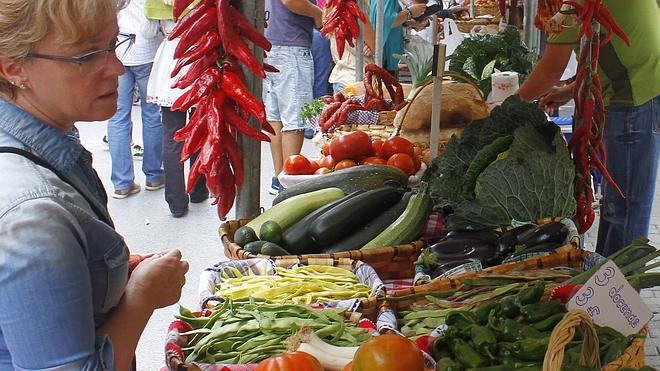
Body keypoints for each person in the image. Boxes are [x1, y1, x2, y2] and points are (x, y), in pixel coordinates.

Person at [0, 0, 189, 369]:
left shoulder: (47, 145)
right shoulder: (33, 216)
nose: (117, 68)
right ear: (13, 67)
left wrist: (105, 272)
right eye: (86, 55)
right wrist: (141, 296)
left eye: (113, 44)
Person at [517, 0, 660, 257]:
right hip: (637, 88)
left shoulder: (574, 2)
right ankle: (605, 289)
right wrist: (572, 90)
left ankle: (618, 293)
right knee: (619, 206)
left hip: (636, 96)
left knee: (624, 210)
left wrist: (504, 106)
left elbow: (550, 70)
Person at [145, 0, 209, 218]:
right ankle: (199, 190)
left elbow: (147, 32)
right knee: (200, 129)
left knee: (172, 137)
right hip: (201, 57)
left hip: (171, 60)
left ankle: (176, 202)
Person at [263, 0, 323, 194]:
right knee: (295, 119)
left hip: (271, 43)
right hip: (291, 47)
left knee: (276, 117)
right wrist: (318, 13)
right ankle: (287, 183)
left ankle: (279, 177)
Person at [108, 0, 165, 199]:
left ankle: (122, 183)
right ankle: (154, 175)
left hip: (118, 49)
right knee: (151, 115)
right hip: (147, 49)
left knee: (117, 117)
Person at [369, 0, 426, 75]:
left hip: (383, 50)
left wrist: (410, 23)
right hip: (385, 53)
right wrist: (410, 12)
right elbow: (386, 21)